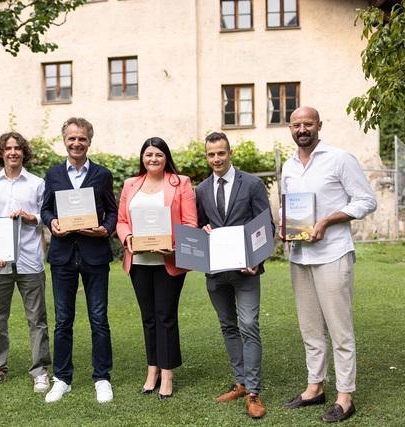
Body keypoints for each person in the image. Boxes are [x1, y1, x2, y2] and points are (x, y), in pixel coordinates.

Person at [280, 106, 376, 423]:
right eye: (296, 125)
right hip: (300, 256)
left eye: (308, 124)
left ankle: (345, 397)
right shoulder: (289, 166)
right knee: (309, 328)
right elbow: (287, 206)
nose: (302, 129)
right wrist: (284, 226)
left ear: (319, 125)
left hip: (333, 253)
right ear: (290, 128)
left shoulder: (339, 158)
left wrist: (327, 220)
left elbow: (366, 200)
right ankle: (315, 387)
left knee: (339, 330)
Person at [194, 132, 273, 419]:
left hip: (246, 270)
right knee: (228, 326)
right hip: (216, 272)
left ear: (230, 153)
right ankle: (240, 382)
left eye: (221, 153)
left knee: (249, 324)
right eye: (211, 154)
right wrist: (202, 229)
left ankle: (253, 391)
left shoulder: (251, 184)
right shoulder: (201, 189)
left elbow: (266, 225)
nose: (216, 159)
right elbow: (198, 224)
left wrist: (257, 259)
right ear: (207, 156)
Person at [40, 117, 118, 403]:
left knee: (99, 318)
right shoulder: (53, 174)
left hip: (94, 254)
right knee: (63, 320)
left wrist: (105, 229)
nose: (76, 143)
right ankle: (62, 378)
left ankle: (102, 377)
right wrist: (52, 222)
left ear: (89, 141)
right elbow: (46, 209)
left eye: (81, 138)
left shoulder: (102, 174)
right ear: (64, 141)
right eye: (71, 138)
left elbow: (112, 211)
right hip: (63, 255)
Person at [116, 137, 197, 400]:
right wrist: (128, 238)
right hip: (138, 261)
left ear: (166, 158)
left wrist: (173, 247)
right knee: (148, 317)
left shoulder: (180, 183)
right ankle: (152, 370)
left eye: (158, 155)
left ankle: (168, 373)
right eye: (149, 154)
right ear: (143, 157)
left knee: (165, 316)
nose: (153, 159)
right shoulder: (131, 184)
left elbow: (190, 223)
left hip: (168, 261)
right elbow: (121, 221)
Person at [0, 132, 51, 393]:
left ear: (24, 152)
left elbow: (45, 216)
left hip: (30, 260)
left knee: (37, 319)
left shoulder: (37, 183)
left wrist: (31, 217)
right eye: (8, 148)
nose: (13, 152)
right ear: (1, 152)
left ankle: (40, 371)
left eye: (18, 148)